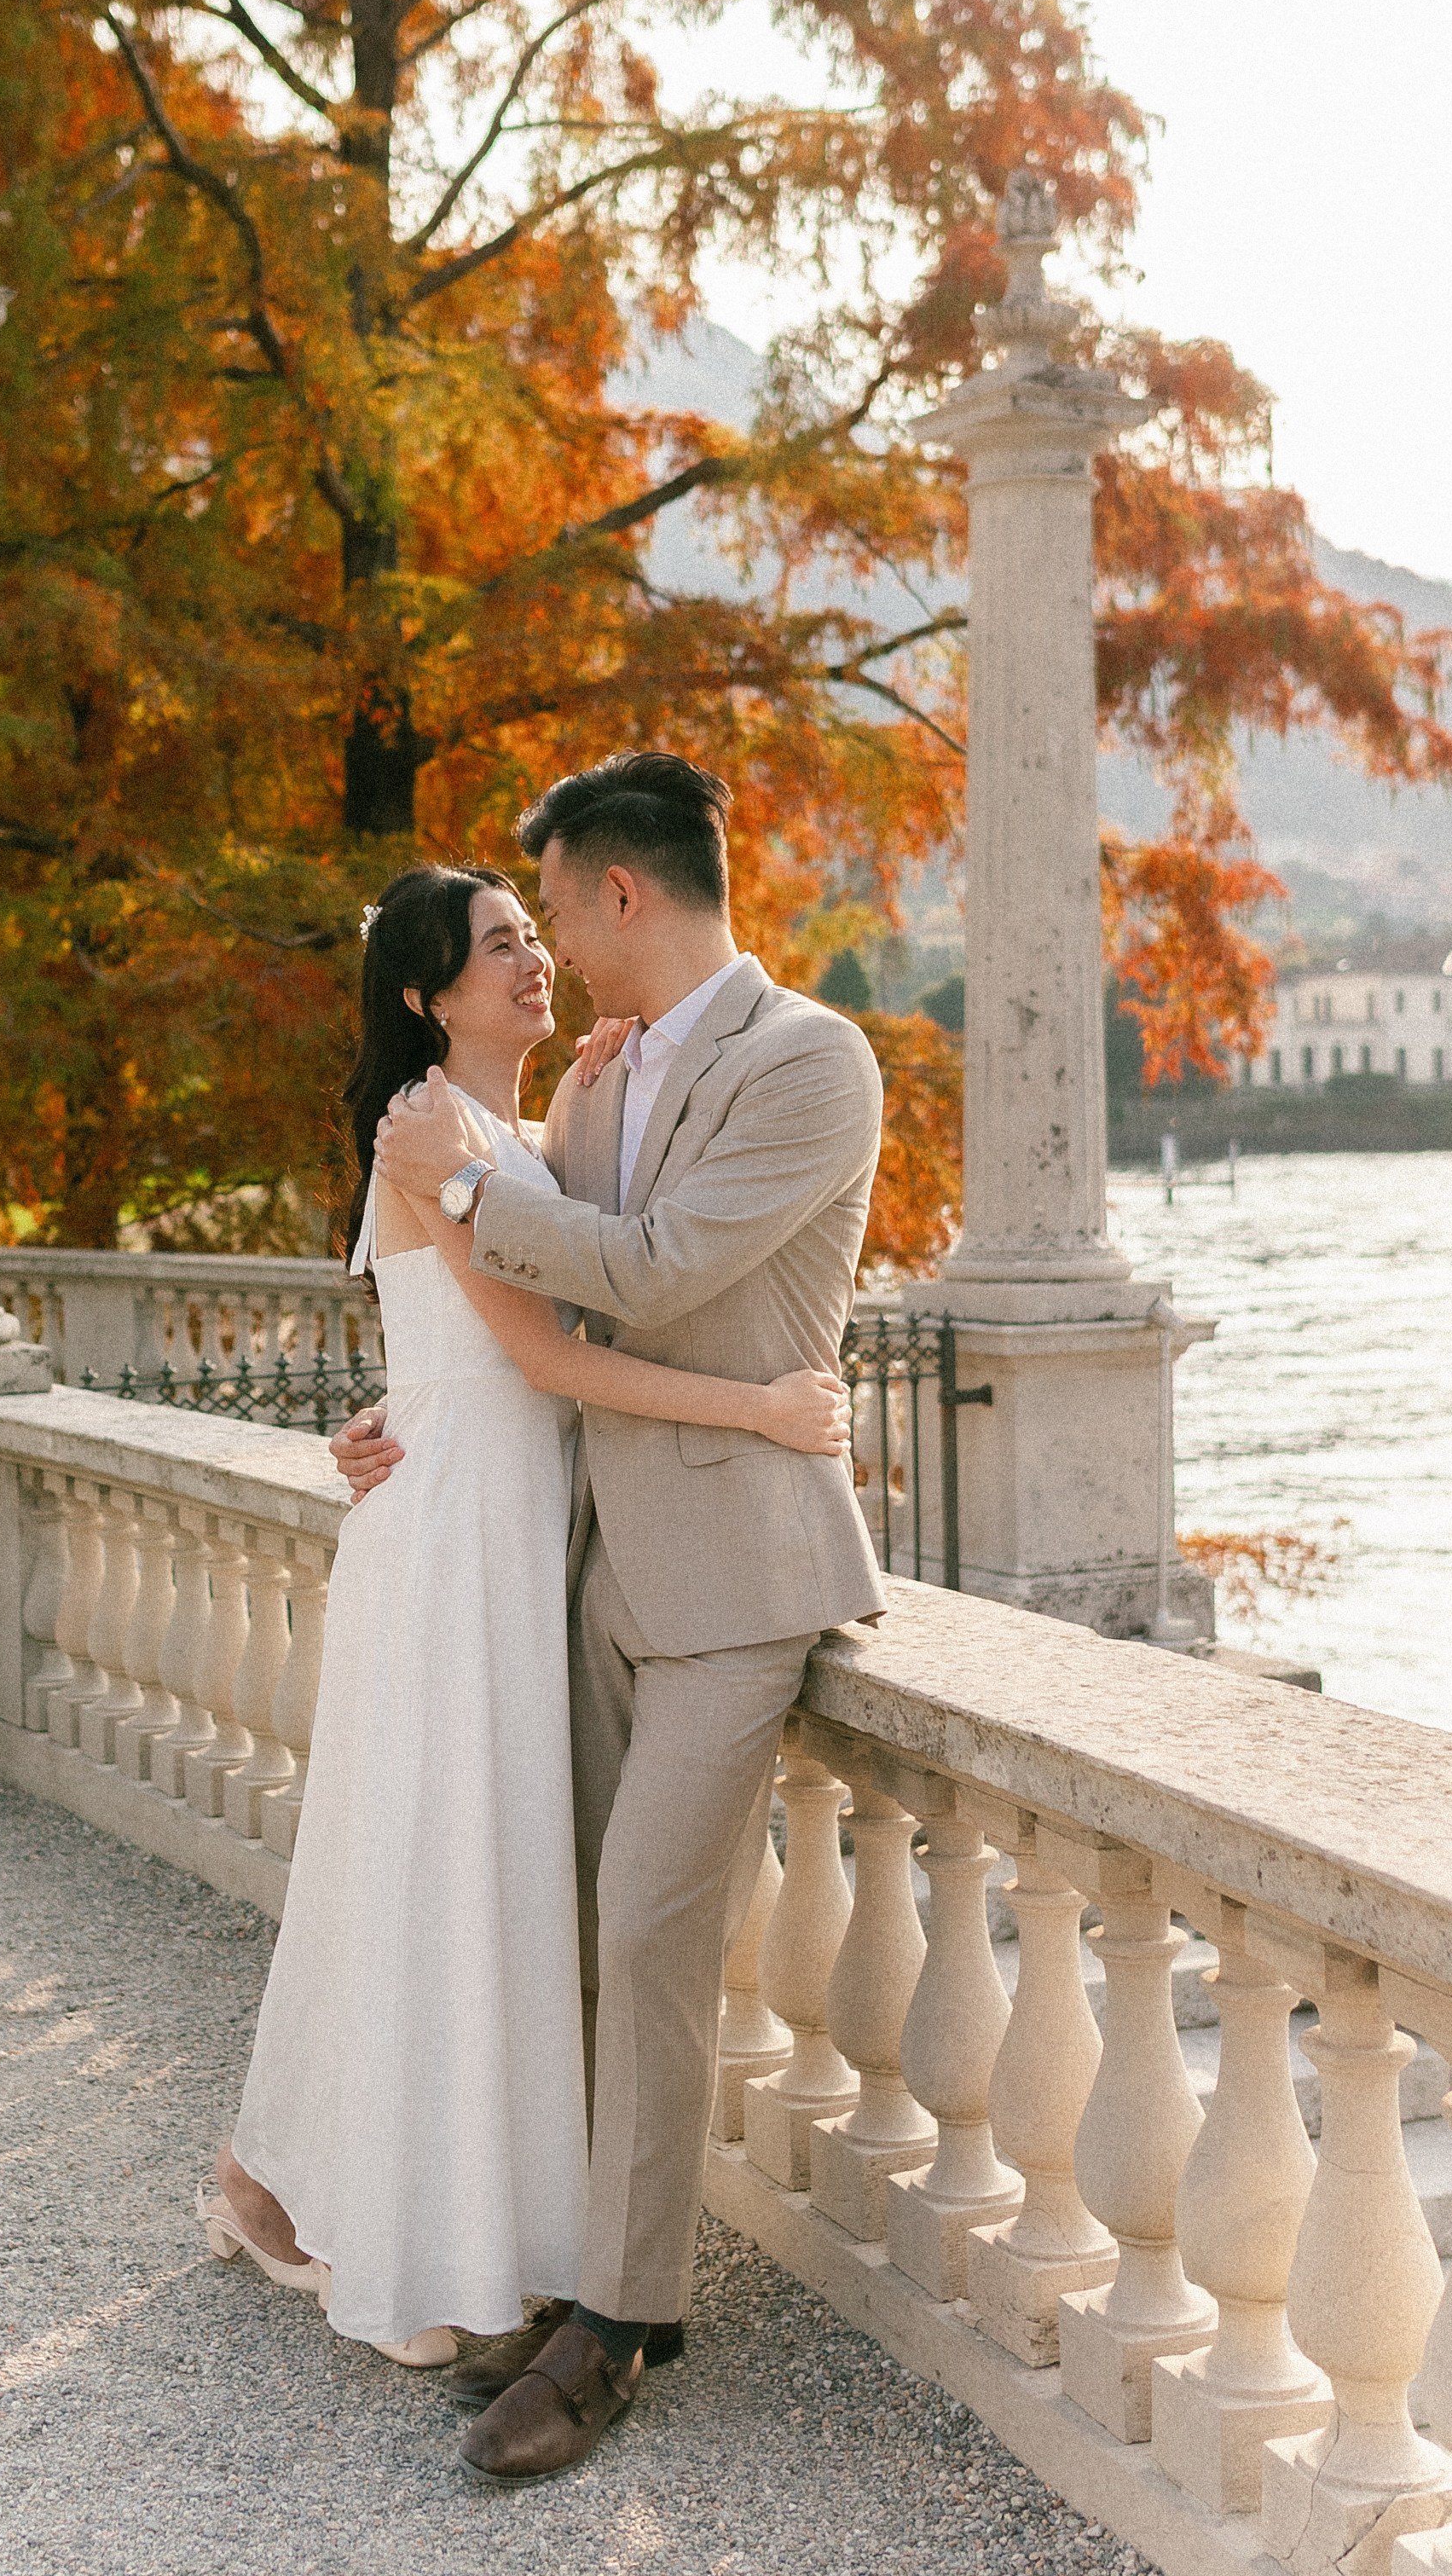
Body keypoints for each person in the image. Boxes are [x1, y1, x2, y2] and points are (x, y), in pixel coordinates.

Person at [203, 854, 854, 2379]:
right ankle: (339, 2202)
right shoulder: (430, 1135)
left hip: (522, 1531)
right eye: (500, 947)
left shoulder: (524, 1125)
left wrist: (585, 1104)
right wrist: (759, 1408)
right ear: (426, 994)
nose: (534, 962)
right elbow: (550, 1362)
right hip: (453, 1544)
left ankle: (375, 2193)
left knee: (483, 1882)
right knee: (425, 1877)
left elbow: (526, 1301)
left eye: (530, 934)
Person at [341, 751, 887, 2485]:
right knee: (565, 1923)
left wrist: (466, 1169)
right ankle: (569, 2261)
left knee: (649, 1927)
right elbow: (517, 1314)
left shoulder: (811, 1060)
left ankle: (613, 2325)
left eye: (559, 905)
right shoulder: (601, 1078)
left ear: (624, 892)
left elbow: (640, 1270)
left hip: (738, 1579)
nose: (555, 944)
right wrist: (392, 1424)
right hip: (585, 1566)